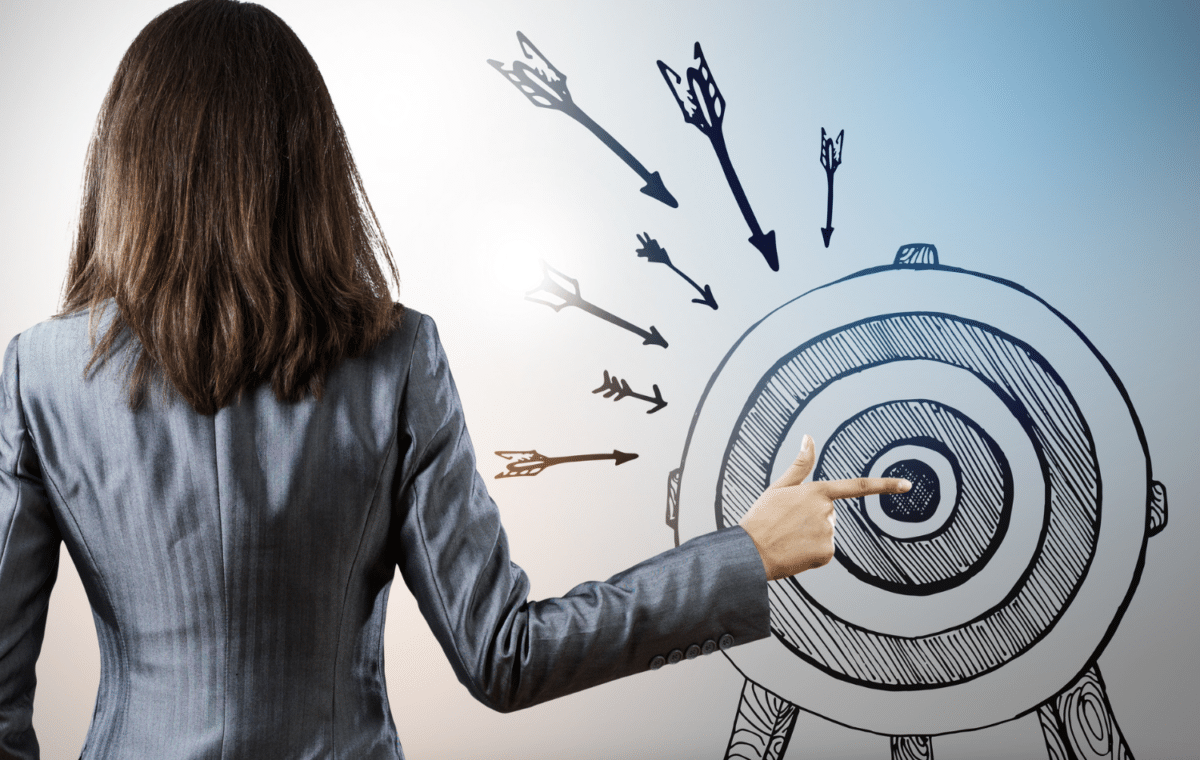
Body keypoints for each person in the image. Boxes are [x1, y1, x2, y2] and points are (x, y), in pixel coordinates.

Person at [0, 2, 909, 758]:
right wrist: (745, 557)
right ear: (309, 161)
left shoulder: (41, 373)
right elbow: (506, 654)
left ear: (124, 167)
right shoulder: (394, 358)